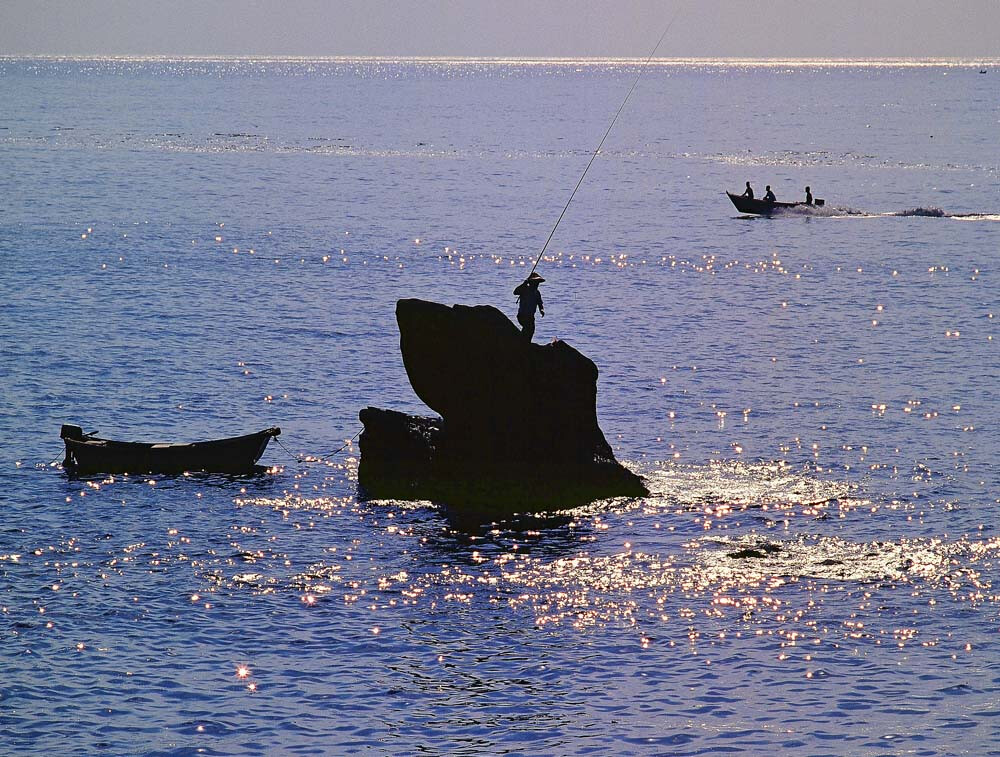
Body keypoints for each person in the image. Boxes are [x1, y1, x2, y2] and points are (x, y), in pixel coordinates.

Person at [513, 271, 545, 341]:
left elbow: (540, 303)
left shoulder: (537, 293)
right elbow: (515, 292)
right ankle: (523, 343)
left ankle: (526, 343)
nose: (537, 285)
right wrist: (523, 284)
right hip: (522, 315)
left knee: (531, 330)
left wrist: (541, 310)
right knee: (527, 328)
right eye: (535, 283)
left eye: (538, 283)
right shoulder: (524, 289)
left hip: (531, 316)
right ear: (531, 283)